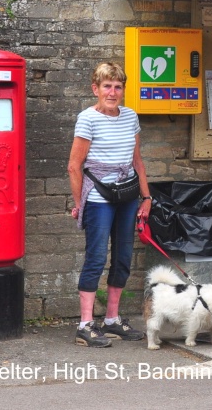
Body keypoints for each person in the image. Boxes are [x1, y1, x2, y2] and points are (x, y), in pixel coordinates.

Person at [67, 62, 152, 347]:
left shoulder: (130, 117)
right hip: (98, 198)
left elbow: (137, 161)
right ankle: (85, 324)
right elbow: (74, 166)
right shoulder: (87, 119)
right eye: (107, 86)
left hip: (127, 196)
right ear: (96, 89)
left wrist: (147, 197)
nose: (112, 92)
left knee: (124, 257)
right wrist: (79, 203)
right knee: (96, 257)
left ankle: (113, 320)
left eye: (117, 87)